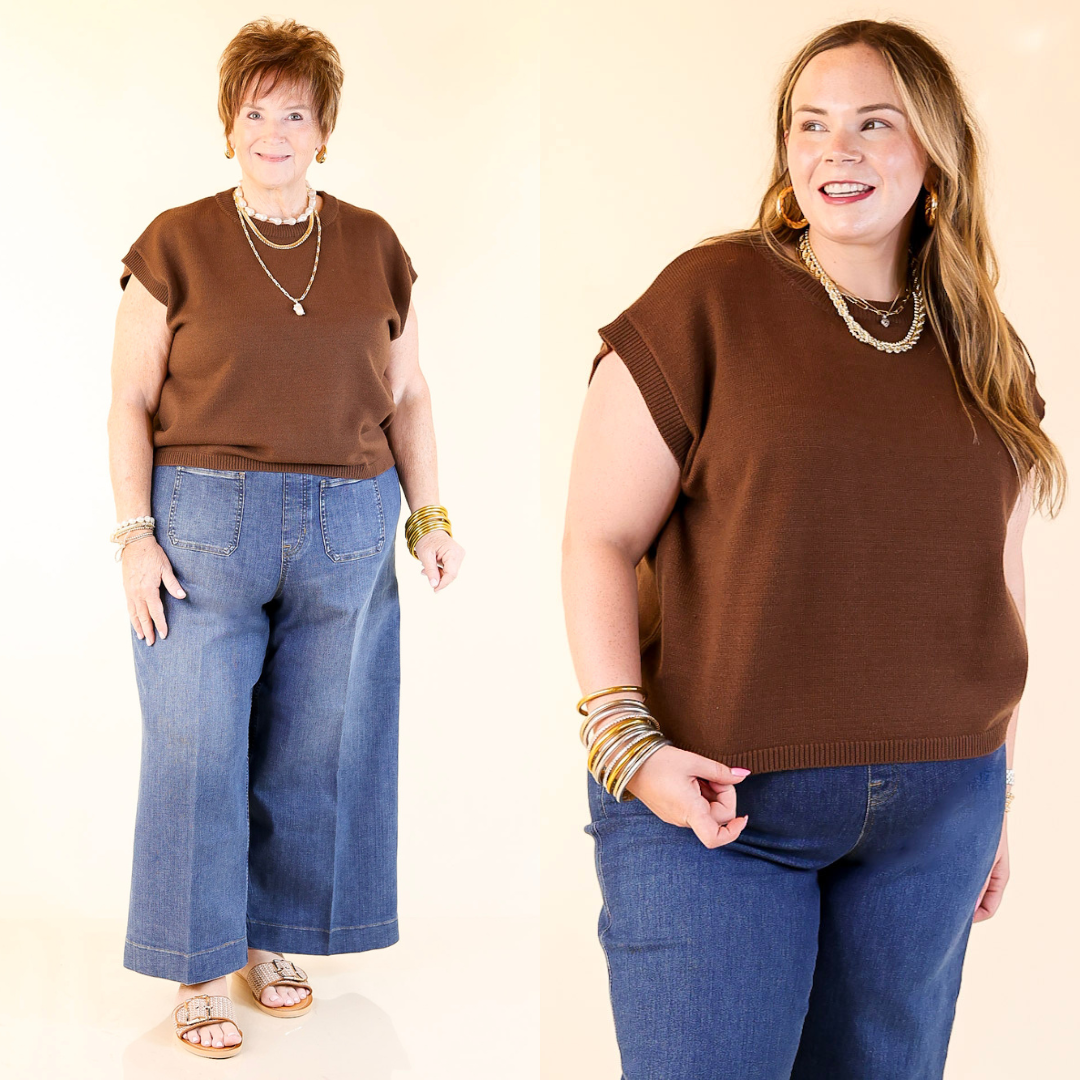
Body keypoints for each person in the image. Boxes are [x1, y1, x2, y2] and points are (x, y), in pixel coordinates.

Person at [561, 19, 1065, 1080]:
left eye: (874, 124)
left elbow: (994, 583)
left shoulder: (984, 345)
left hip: (939, 816)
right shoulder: (708, 300)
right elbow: (599, 536)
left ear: (932, 152)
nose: (837, 149)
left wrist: (999, 800)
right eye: (812, 124)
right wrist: (625, 745)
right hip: (715, 810)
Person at [107, 17, 463, 1058]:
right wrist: (133, 535)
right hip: (201, 523)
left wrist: (430, 514)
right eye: (255, 112)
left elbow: (410, 394)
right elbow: (129, 399)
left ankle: (272, 942)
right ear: (229, 127)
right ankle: (195, 968)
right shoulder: (174, 241)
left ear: (323, 129)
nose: (274, 131)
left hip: (351, 522)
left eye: (294, 113)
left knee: (315, 746)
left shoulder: (374, 245)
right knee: (197, 748)